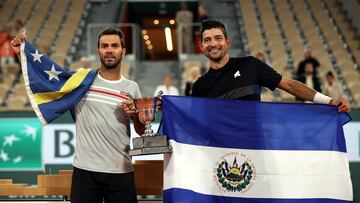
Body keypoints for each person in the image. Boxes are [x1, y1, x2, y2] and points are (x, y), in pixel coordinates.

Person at [11, 27, 145, 203]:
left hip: (121, 170)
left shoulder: (132, 87)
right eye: (105, 46)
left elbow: (142, 130)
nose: (110, 50)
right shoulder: (81, 81)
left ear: (123, 51)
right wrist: (21, 53)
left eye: (114, 45)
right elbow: (46, 78)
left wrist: (136, 115)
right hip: (85, 171)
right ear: (98, 51)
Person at [192, 20, 350, 113]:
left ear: (228, 42)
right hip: (218, 154)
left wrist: (328, 101)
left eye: (218, 38)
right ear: (201, 46)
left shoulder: (250, 65)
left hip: (254, 147)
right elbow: (194, 121)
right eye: (207, 40)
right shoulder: (199, 86)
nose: (213, 44)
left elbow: (289, 85)